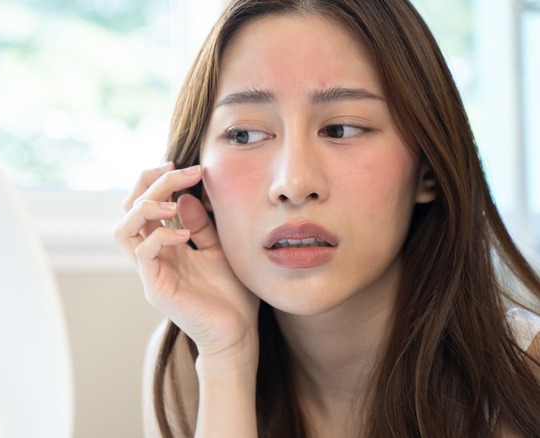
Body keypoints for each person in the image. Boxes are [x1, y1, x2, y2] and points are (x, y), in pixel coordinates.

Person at [113, 0, 540, 436]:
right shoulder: (190, 363)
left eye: (341, 129)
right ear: (199, 184)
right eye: (244, 134)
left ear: (427, 168)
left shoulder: (526, 377)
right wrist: (227, 358)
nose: (294, 183)